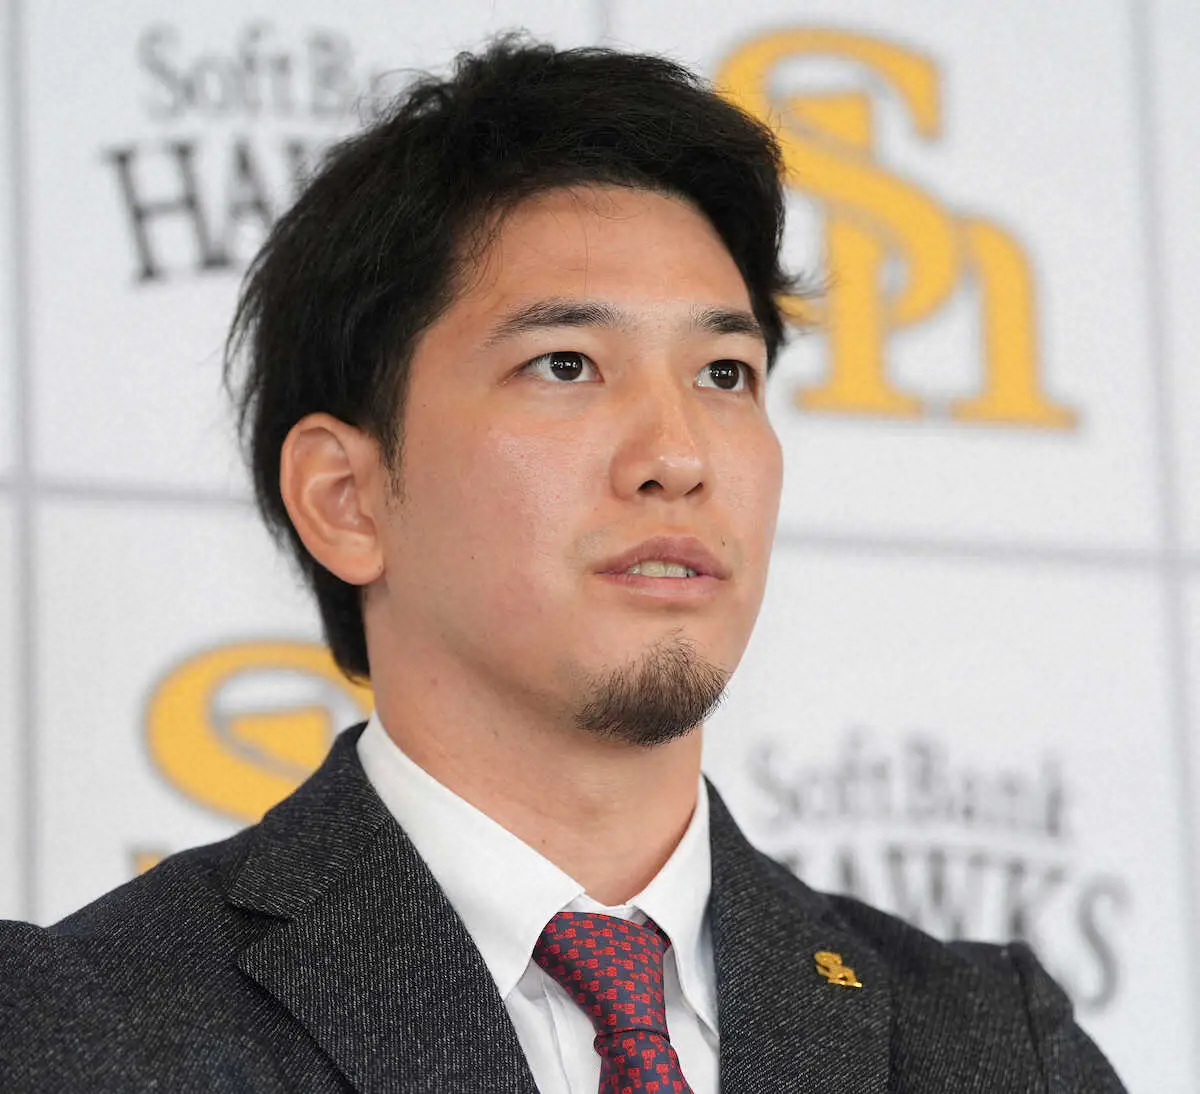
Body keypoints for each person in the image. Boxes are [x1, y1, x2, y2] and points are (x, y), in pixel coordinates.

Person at [0, 36, 1125, 1094]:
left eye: (724, 373)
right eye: (567, 363)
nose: (677, 456)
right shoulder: (80, 1029)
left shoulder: (992, 1044)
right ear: (346, 498)